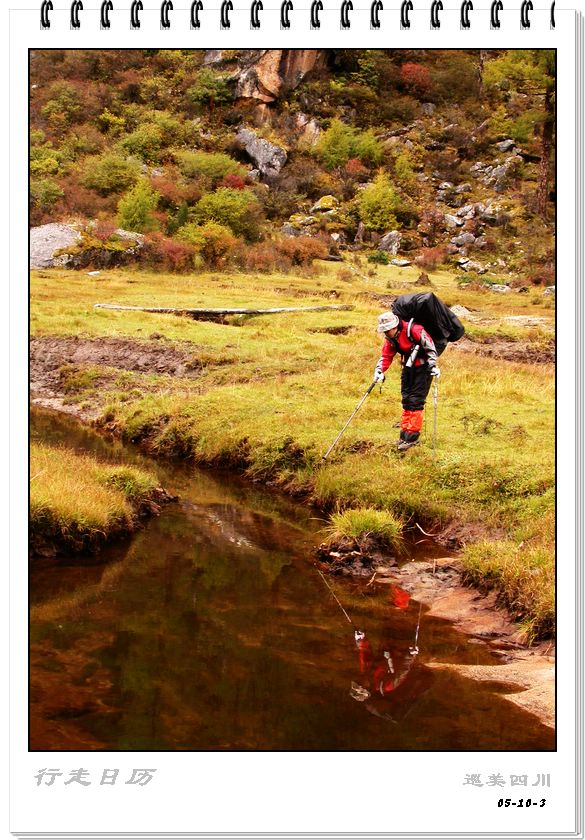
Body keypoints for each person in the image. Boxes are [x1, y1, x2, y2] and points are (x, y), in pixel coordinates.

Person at [373, 311, 440, 452]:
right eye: (384, 331)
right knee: (407, 400)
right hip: (408, 368)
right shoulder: (390, 338)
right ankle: (404, 435)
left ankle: (412, 438)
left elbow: (430, 348)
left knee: (416, 401)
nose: (386, 333)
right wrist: (379, 371)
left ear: (395, 326)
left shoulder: (414, 330)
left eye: (387, 330)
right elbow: (386, 356)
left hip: (423, 368)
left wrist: (433, 366)